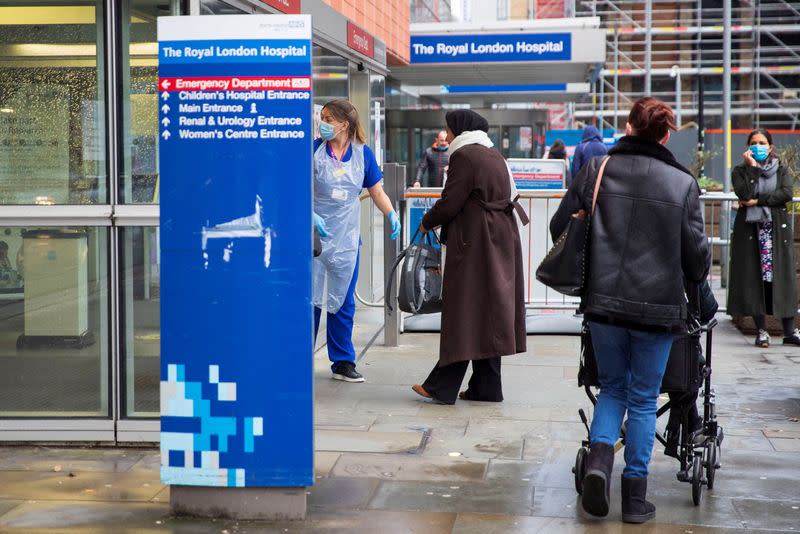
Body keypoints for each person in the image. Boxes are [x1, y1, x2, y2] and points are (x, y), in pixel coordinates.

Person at [550, 97, 710, 524]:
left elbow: (557, 227)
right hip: (659, 312)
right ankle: (635, 500)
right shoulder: (682, 183)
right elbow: (697, 264)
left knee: (613, 389)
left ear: (628, 127)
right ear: (665, 134)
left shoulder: (596, 169)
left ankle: (600, 463)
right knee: (642, 400)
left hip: (603, 306)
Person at [410, 109, 527, 405]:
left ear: (460, 129)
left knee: (465, 312)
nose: (446, 135)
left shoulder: (464, 156)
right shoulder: (492, 153)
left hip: (476, 243)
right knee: (489, 311)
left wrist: (427, 221)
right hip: (499, 238)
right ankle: (486, 387)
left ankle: (442, 385)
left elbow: (451, 201)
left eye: (448, 129)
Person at [312, 99, 401, 383]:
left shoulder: (363, 154)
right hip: (312, 237)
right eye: (322, 117)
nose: (322, 123)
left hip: (346, 240)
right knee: (308, 300)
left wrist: (391, 213)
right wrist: (309, 214)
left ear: (344, 124)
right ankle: (297, 359)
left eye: (328, 118)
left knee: (342, 302)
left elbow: (376, 191)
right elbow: (293, 187)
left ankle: (342, 362)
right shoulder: (312, 150)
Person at [727, 128, 800, 348]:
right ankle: (761, 330)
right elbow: (744, 193)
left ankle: (789, 331)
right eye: (754, 142)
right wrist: (753, 171)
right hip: (752, 233)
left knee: (782, 280)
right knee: (755, 280)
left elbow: (786, 193)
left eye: (762, 142)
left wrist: (758, 202)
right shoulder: (741, 171)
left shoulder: (781, 169)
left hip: (776, 231)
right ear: (748, 146)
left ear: (770, 145)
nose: (758, 146)